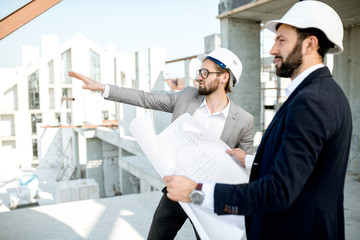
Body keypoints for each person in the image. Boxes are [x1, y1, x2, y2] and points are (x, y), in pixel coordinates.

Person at [164, 1, 353, 240]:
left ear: (310, 44)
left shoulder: (311, 101)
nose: (273, 49)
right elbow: (305, 168)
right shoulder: (326, 92)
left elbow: (278, 191)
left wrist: (196, 192)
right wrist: (250, 160)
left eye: (281, 40)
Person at [68, 47, 255, 240]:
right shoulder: (187, 97)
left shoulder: (243, 120)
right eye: (199, 72)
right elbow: (145, 98)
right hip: (175, 192)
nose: (199, 77)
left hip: (205, 198)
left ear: (224, 77)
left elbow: (245, 174)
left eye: (204, 72)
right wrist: (104, 88)